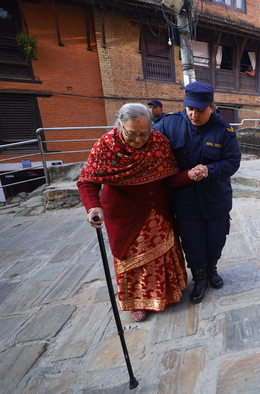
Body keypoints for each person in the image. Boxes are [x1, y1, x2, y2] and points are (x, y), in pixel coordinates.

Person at [77, 103, 196, 322]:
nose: (139, 139)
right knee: (134, 259)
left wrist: (190, 175)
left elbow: (170, 178)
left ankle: (168, 293)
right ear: (120, 125)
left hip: (158, 209)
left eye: (144, 133)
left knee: (163, 254)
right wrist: (93, 207)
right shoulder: (106, 146)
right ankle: (137, 302)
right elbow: (87, 181)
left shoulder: (159, 142)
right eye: (131, 134)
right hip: (123, 214)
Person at [154, 81, 241, 304]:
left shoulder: (224, 131)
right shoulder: (168, 124)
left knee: (216, 240)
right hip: (185, 200)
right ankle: (199, 277)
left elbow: (232, 162)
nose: (193, 114)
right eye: (190, 108)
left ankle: (212, 269)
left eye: (200, 110)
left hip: (216, 198)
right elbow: (147, 144)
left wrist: (210, 169)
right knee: (192, 242)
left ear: (212, 106)